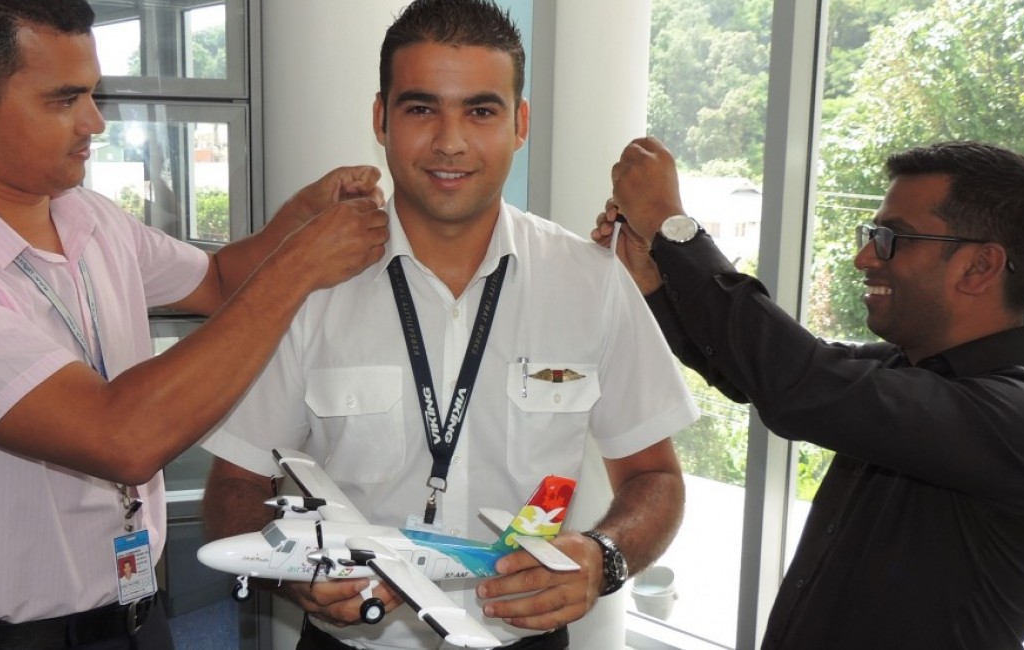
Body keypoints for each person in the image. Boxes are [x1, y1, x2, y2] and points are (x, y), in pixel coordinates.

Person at [0, 1, 389, 649]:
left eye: (93, 94)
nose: (94, 122)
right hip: (16, 638)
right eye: (63, 99)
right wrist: (299, 267)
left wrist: (298, 218)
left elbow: (216, 284)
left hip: (135, 617)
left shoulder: (88, 218)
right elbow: (121, 436)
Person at [200, 2, 699, 649]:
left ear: (520, 124)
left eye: (481, 110)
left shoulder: (591, 283)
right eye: (421, 108)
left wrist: (604, 556)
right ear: (381, 118)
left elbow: (656, 479)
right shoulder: (306, 287)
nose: (450, 141)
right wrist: (291, 574)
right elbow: (234, 485)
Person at [595, 137, 1024, 649]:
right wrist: (655, 285)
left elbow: (801, 383)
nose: (865, 257)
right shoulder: (909, 370)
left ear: (979, 267)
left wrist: (672, 227)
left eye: (892, 239)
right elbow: (754, 371)